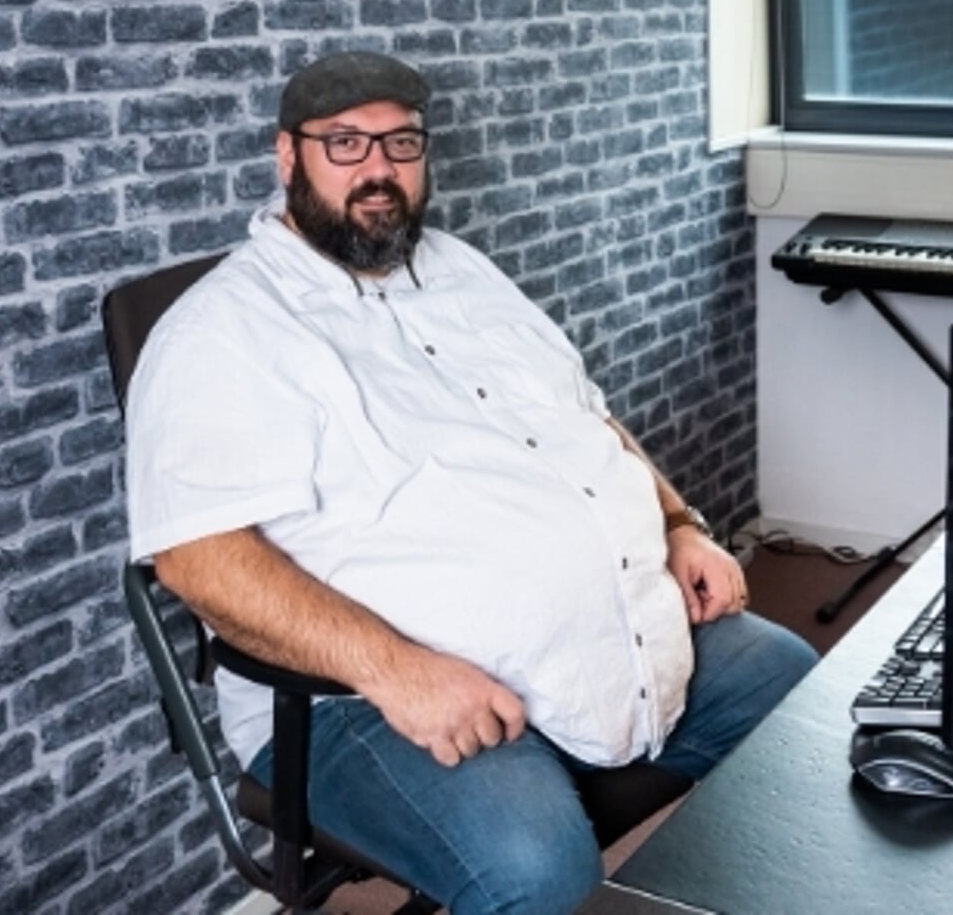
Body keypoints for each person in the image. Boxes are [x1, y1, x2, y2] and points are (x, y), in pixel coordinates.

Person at [124, 51, 818, 915]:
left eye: (400, 143)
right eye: (344, 144)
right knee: (533, 868)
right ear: (286, 157)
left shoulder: (459, 268)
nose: (377, 169)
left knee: (790, 691)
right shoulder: (222, 330)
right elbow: (197, 559)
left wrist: (678, 523)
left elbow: (583, 419)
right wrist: (398, 673)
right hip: (359, 697)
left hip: (595, 638)